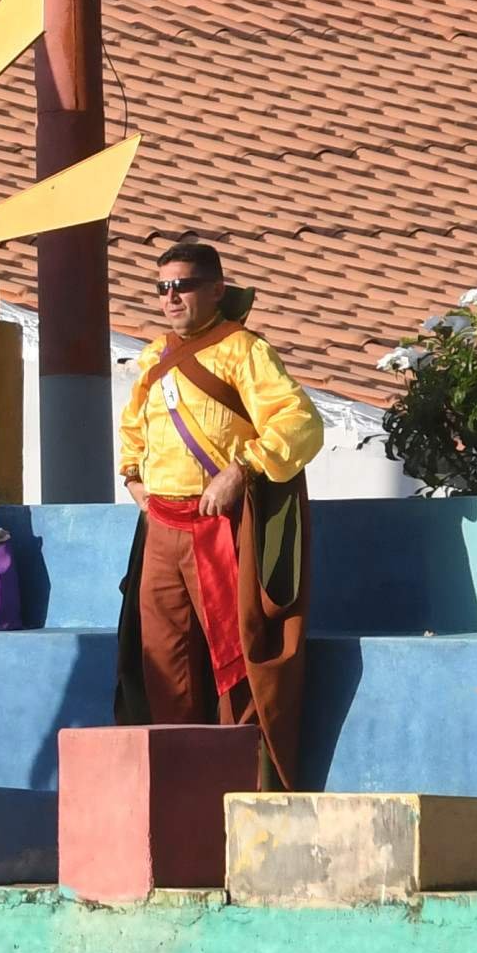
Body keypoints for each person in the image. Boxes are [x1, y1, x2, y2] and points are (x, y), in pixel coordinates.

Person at [114, 241, 320, 788]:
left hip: (221, 528)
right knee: (163, 660)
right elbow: (133, 431)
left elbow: (299, 422)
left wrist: (240, 470)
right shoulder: (153, 358)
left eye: (182, 285)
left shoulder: (244, 351)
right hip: (161, 528)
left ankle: (244, 787)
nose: (171, 297)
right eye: (163, 287)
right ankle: (183, 790)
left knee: (235, 659)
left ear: (216, 290)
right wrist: (134, 479)